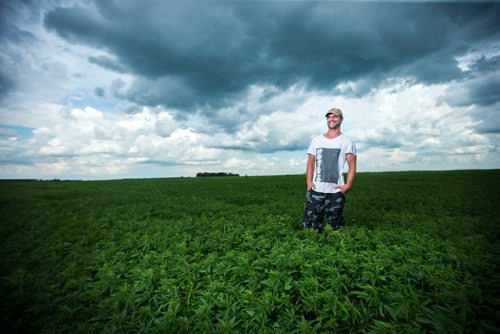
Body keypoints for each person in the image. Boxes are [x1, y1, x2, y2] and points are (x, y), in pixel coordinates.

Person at [302, 107, 357, 232]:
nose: (332, 119)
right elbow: (311, 162)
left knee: (336, 227)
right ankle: (313, 247)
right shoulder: (317, 140)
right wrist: (309, 182)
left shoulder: (347, 142)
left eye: (335, 116)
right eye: (329, 116)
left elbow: (352, 165)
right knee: (310, 226)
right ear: (326, 119)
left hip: (336, 191)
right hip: (316, 189)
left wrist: (347, 186)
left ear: (341, 119)